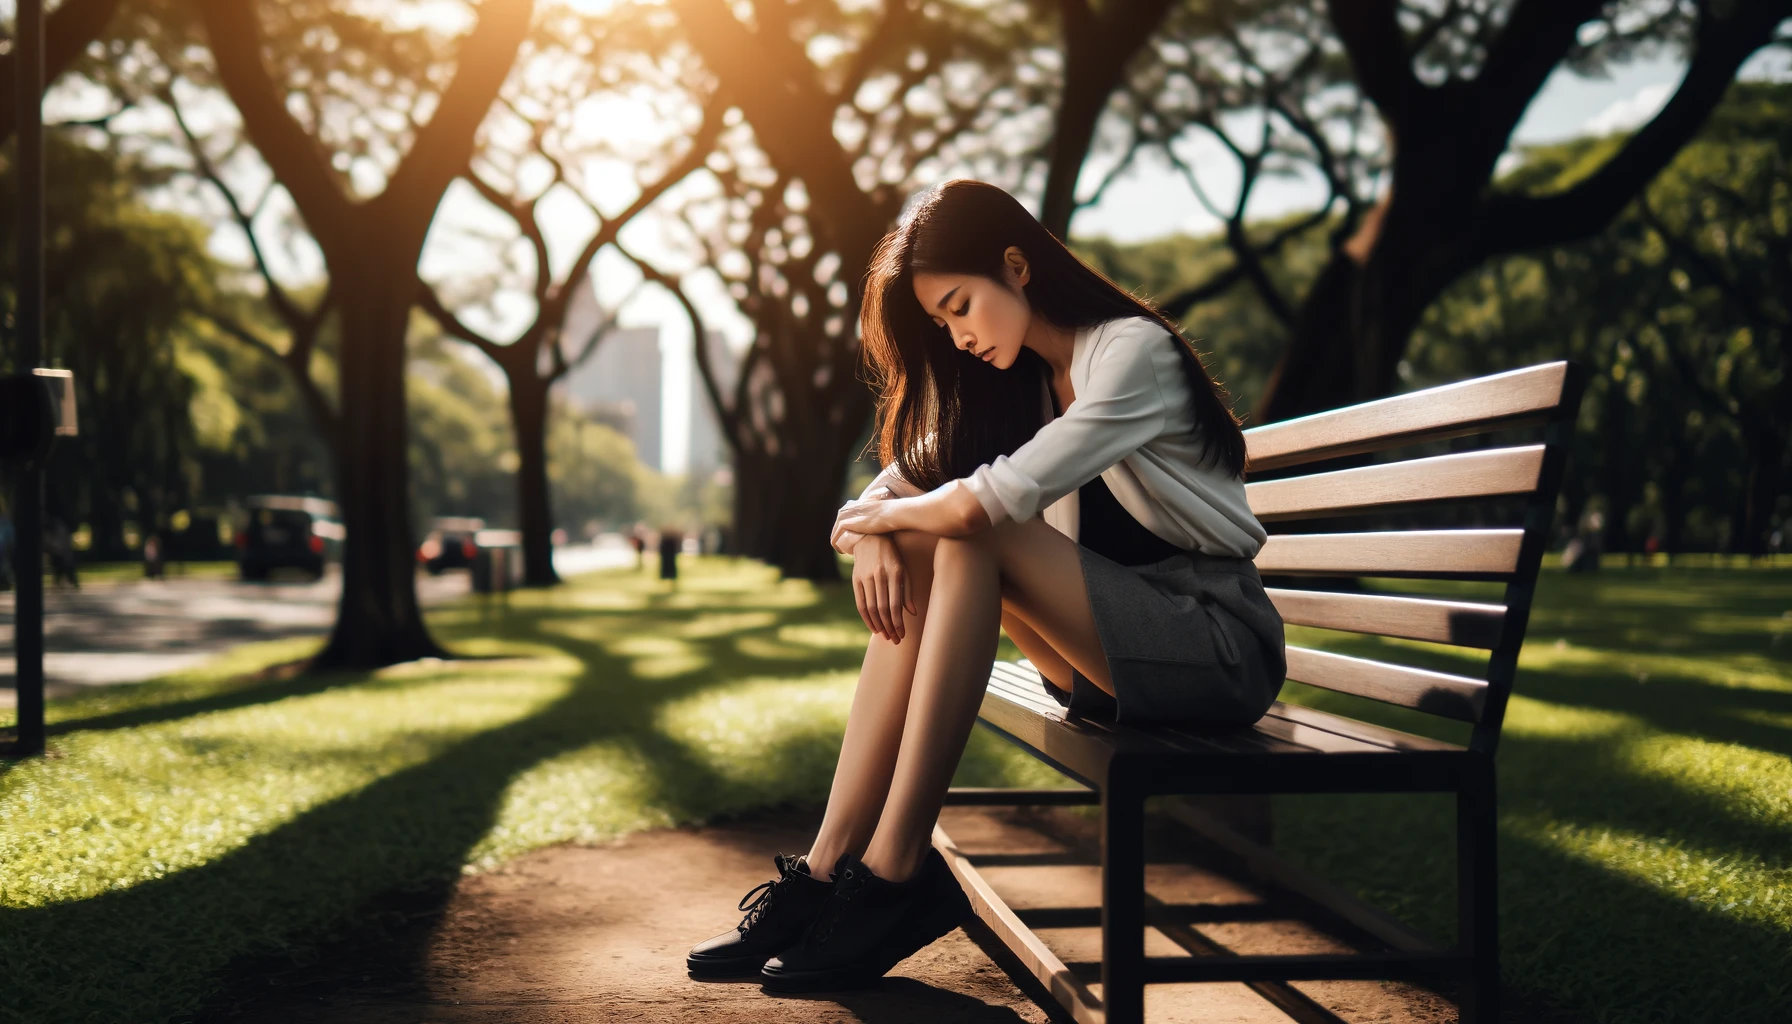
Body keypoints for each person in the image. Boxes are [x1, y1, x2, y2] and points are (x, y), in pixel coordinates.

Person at [686, 180, 1285, 991]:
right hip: (1111, 660)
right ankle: (828, 872)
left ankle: (895, 872)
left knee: (971, 535)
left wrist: (894, 524)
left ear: (1017, 265)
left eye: (962, 306)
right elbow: (899, 484)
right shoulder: (1027, 382)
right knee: (947, 545)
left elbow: (987, 504)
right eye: (941, 323)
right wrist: (877, 531)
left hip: (1214, 643)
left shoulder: (1129, 352)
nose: (958, 336)